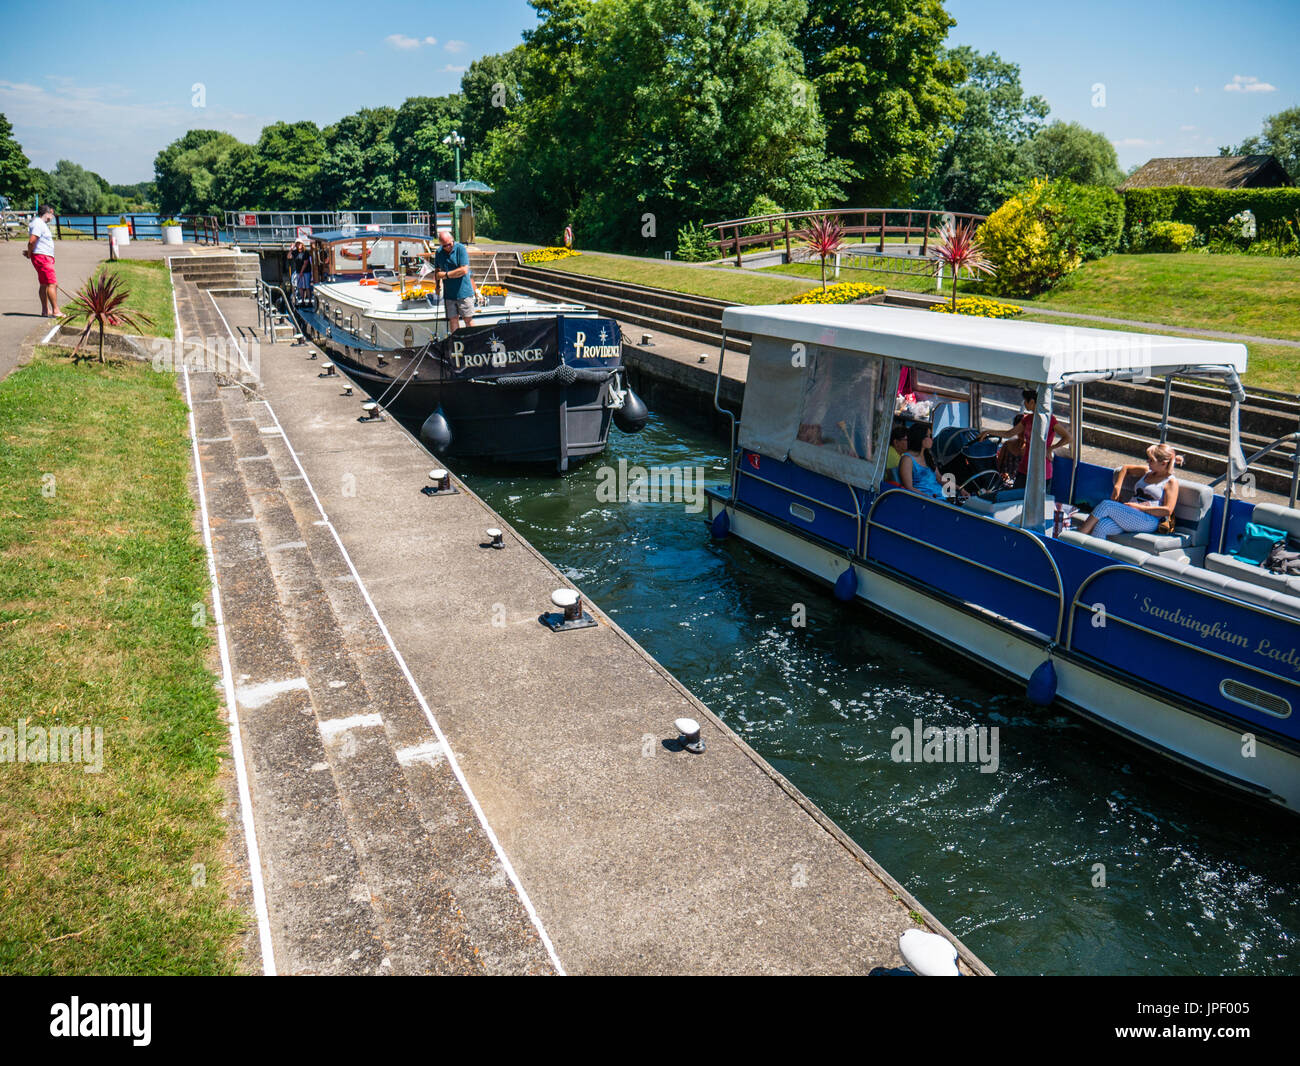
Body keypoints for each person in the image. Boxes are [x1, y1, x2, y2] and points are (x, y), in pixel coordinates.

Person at [1077, 443, 1182, 540]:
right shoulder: (1147, 472)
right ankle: (1094, 556)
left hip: (1149, 520)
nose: (1147, 462)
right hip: (1131, 514)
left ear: (1163, 463)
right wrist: (1117, 487)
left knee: (1107, 505)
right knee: (1102, 525)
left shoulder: (1170, 481)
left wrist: (1139, 507)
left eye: (1151, 460)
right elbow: (1125, 468)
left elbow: (1168, 510)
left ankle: (1078, 537)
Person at [979, 389, 1071, 490]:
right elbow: (1009, 433)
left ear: (1031, 401)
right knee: (1016, 500)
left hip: (1041, 471)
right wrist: (988, 432)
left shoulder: (1050, 420)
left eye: (1025, 401)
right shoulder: (1027, 419)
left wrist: (1051, 448)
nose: (1024, 404)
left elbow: (1068, 438)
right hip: (1024, 468)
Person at [433, 228, 473, 331]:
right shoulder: (439, 252)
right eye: (444, 245)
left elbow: (464, 270)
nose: (447, 247)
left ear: (452, 240)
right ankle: (456, 342)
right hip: (449, 294)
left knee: (467, 319)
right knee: (453, 320)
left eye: (449, 244)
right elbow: (437, 272)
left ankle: (474, 342)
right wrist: (437, 286)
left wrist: (446, 275)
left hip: (463, 293)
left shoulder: (460, 249)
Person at [898, 423, 952, 500]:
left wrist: (958, 488)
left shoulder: (928, 456)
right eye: (929, 436)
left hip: (940, 499)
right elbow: (909, 488)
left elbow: (939, 478)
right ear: (920, 438)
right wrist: (929, 498)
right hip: (925, 503)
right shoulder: (907, 459)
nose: (932, 439)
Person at [24, 205, 58, 316]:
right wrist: (29, 254)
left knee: (44, 284)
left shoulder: (39, 223)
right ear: (48, 213)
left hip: (42, 256)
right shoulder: (38, 224)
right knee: (52, 284)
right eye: (52, 214)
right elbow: (32, 241)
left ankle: (45, 310)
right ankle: (56, 311)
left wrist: (30, 254)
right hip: (43, 257)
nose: (52, 216)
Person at [287, 240, 312, 305]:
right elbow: (289, 256)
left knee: (307, 286)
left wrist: (301, 272)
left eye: (299, 243)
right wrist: (291, 249)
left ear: (302, 244)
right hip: (298, 271)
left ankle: (309, 301)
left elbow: (305, 263)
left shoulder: (305, 252)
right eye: (297, 244)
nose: (298, 245)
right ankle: (302, 301)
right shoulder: (295, 252)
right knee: (300, 286)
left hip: (306, 271)